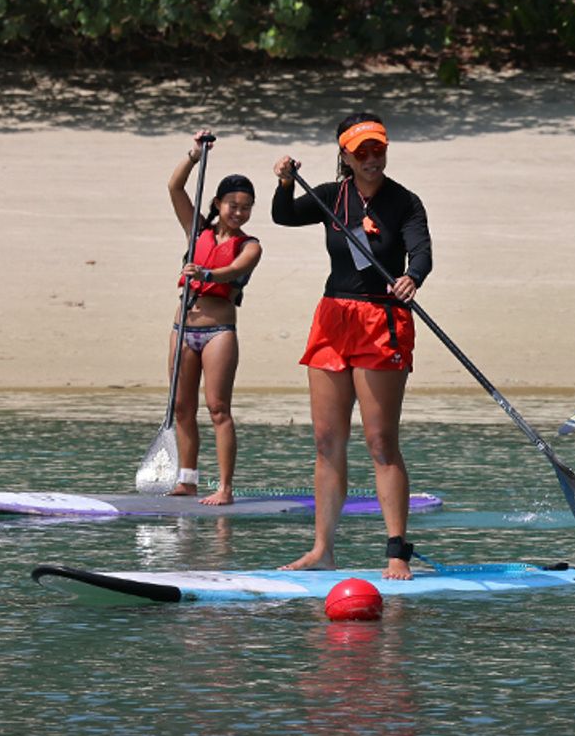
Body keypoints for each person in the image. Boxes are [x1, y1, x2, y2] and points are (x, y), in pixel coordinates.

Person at [271, 113, 432, 579]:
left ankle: (397, 551)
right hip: (333, 318)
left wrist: (412, 277)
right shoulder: (329, 196)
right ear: (344, 156)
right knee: (326, 441)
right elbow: (284, 215)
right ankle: (323, 549)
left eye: (377, 149)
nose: (371, 159)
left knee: (380, 442)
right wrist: (284, 182)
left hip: (381, 319)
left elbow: (420, 251)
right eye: (361, 152)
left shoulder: (405, 202)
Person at [167, 136, 263, 506]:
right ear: (218, 204)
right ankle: (187, 480)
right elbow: (174, 186)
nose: (239, 212)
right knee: (181, 407)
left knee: (218, 408)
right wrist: (194, 156)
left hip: (219, 331)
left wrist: (204, 272)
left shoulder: (250, 245)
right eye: (233, 205)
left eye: (246, 207)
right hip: (182, 328)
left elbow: (233, 271)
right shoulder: (197, 230)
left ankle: (224, 487)